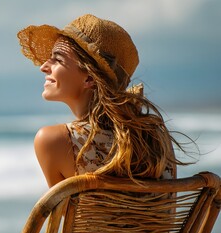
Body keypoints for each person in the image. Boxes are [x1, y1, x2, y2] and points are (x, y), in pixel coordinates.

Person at [17, 14, 187, 187]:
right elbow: (168, 211)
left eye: (58, 59)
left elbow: (61, 213)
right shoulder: (157, 138)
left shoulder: (54, 140)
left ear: (89, 78)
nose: (43, 67)